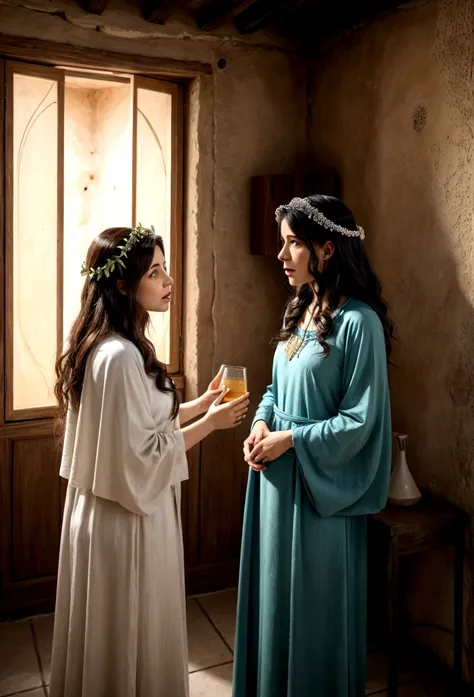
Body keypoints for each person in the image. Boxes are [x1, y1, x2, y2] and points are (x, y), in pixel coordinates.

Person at [50, 225, 249, 697]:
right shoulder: (118, 356)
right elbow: (140, 459)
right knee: (128, 641)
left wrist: (200, 404)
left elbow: (139, 423)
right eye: (155, 272)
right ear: (123, 286)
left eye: (166, 269)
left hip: (109, 514)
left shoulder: (112, 346)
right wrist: (211, 426)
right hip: (127, 521)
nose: (167, 281)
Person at [233, 195, 392, 697]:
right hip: (276, 485)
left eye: (292, 244)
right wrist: (260, 424)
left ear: (327, 249)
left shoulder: (359, 323)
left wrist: (292, 439)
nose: (281, 257)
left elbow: (359, 421)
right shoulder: (301, 309)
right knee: (275, 602)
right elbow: (277, 388)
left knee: (313, 612)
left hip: (322, 493)